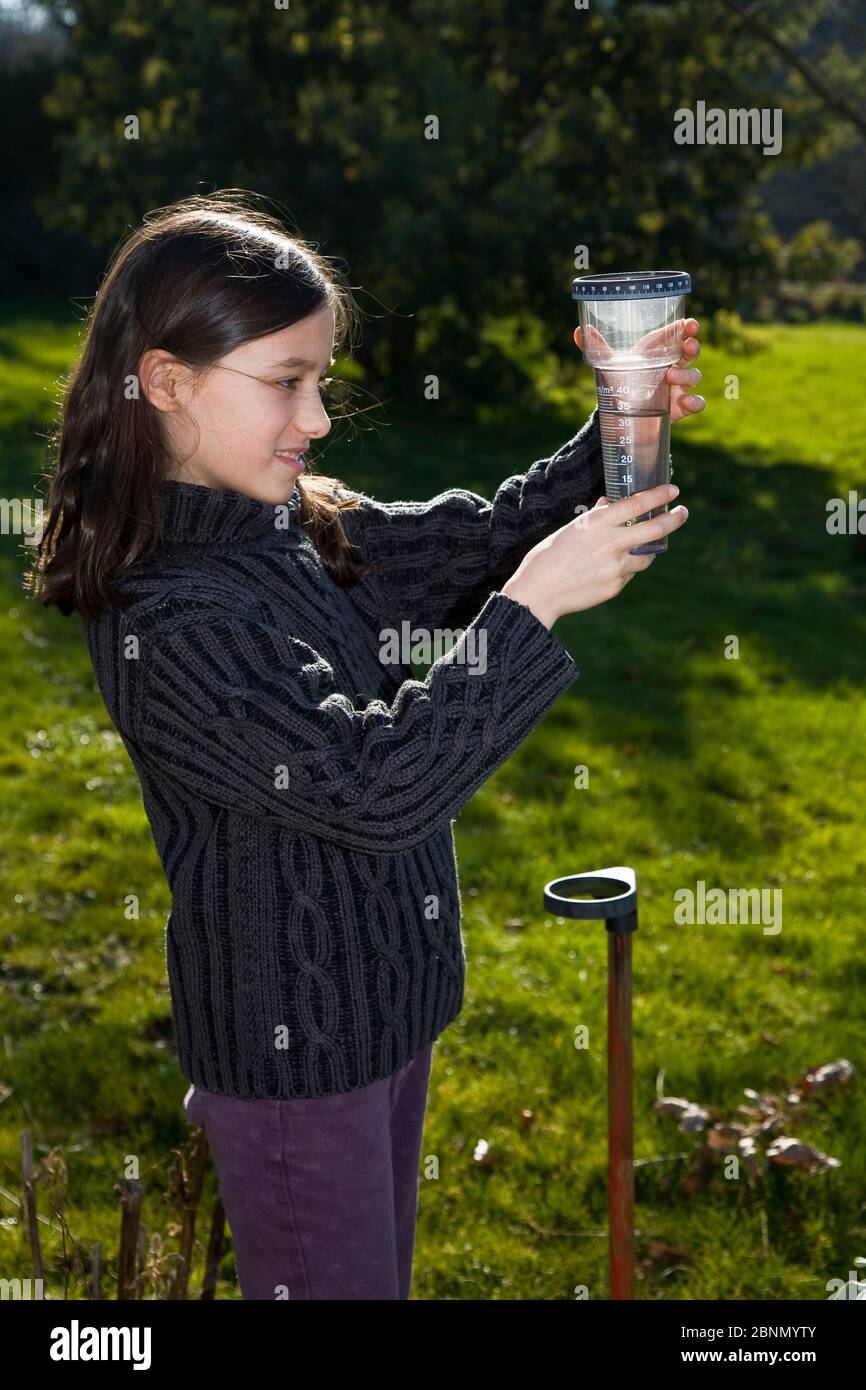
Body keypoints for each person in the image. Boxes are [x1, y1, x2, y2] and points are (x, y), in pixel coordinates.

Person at [28, 190, 702, 1299]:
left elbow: (484, 541)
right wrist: (525, 614)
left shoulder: (291, 527)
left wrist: (621, 425)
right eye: (286, 382)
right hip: (294, 1070)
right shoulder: (169, 620)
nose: (319, 417)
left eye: (320, 380)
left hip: (386, 1018)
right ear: (165, 381)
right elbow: (372, 786)